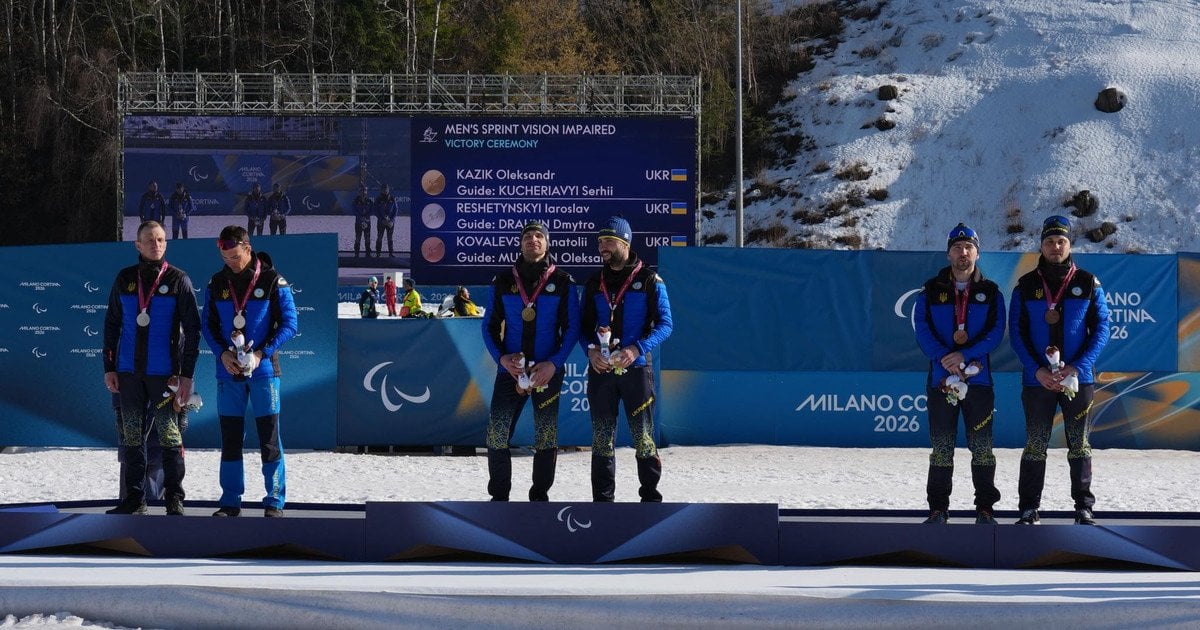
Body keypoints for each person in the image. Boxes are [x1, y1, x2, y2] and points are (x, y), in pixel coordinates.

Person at [1009, 215, 1110, 525]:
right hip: (1037, 380)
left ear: (1070, 245)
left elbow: (1102, 327)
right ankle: (1028, 508)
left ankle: (1083, 507)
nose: (1056, 246)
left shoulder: (1088, 282)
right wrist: (1037, 369)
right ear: (1041, 245)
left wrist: (1077, 367)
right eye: (1050, 241)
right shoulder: (1025, 285)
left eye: (1061, 241)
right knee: (1036, 444)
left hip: (1078, 380)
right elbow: (1016, 331)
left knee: (1079, 444)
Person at [102, 220, 200, 515]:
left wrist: (186, 375)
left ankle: (174, 499)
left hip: (164, 376)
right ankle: (134, 499)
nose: (156, 244)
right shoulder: (124, 278)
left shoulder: (179, 279)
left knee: (170, 438)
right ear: (138, 245)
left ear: (165, 243)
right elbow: (111, 324)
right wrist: (109, 367)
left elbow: (193, 331)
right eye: (149, 240)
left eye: (160, 239)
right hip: (128, 374)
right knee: (132, 437)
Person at [201, 225, 299, 517]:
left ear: (247, 247)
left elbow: (290, 324)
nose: (229, 262)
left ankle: (275, 499)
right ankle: (230, 501)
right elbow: (208, 325)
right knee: (230, 438)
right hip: (228, 372)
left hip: (264, 371)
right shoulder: (217, 282)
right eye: (225, 256)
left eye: (234, 256)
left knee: (268, 438)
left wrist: (261, 353)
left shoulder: (272, 280)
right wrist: (222, 353)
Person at [912, 223, 1006, 524]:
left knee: (982, 449)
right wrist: (945, 358)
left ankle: (985, 508)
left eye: (968, 248)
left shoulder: (991, 292)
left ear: (977, 253)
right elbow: (922, 331)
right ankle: (938, 509)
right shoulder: (930, 290)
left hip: (978, 382)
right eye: (957, 248)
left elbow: (996, 332)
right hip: (941, 381)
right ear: (948, 253)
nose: (962, 253)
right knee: (941, 448)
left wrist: (964, 355)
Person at [482, 220, 579, 501]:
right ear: (520, 243)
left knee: (546, 437)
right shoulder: (502, 281)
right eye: (528, 236)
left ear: (547, 243)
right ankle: (499, 498)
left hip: (546, 372)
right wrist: (502, 360)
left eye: (539, 236)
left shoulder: (562, 281)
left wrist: (554, 363)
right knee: (497, 435)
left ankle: (539, 498)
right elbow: (488, 326)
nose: (533, 240)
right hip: (510, 373)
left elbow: (572, 328)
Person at [579, 216, 673, 502]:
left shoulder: (649, 280)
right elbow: (582, 328)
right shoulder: (595, 282)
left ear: (625, 243)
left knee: (643, 438)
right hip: (601, 370)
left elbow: (666, 324)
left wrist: (636, 349)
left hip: (636, 371)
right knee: (601, 439)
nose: (602, 247)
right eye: (599, 242)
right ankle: (603, 504)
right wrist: (591, 351)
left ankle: (650, 499)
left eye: (608, 241)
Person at [374, 184, 400, 257]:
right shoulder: (378, 199)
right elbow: (375, 211)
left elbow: (396, 210)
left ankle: (391, 253)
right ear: (381, 190)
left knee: (390, 238)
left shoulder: (392, 199)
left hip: (390, 223)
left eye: (386, 189)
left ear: (388, 190)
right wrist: (381, 219)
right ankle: (378, 253)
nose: (385, 190)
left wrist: (392, 220)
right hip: (381, 222)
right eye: (383, 189)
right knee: (379, 237)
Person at [352, 185, 373, 257]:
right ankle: (356, 254)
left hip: (367, 223)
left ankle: (368, 254)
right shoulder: (355, 201)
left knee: (367, 238)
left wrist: (366, 218)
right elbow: (354, 211)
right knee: (358, 238)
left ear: (366, 192)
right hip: (358, 223)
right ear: (359, 192)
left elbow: (371, 211)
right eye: (362, 191)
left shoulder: (369, 201)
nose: (363, 192)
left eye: (365, 191)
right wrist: (361, 218)